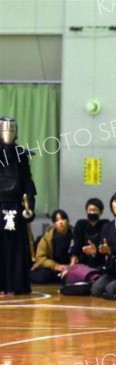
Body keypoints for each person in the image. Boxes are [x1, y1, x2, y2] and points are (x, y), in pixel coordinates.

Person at [0, 117, 37, 295]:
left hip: (15, 206)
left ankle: (15, 284)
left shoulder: (21, 155)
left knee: (15, 247)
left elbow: (27, 181)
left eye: (11, 129)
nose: (8, 133)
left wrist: (29, 205)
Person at [30, 209, 73, 284]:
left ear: (67, 220)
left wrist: (71, 266)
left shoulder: (75, 234)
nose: (60, 222)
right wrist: (56, 266)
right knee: (42, 276)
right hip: (53, 267)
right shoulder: (47, 237)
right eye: (57, 220)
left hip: (71, 267)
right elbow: (40, 258)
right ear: (54, 224)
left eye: (63, 219)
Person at [70, 198, 109, 269]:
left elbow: (105, 247)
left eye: (95, 210)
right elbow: (76, 246)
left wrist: (95, 251)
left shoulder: (106, 225)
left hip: (100, 262)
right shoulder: (80, 224)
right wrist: (72, 262)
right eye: (90, 210)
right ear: (86, 211)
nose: (92, 212)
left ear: (101, 212)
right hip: (83, 261)